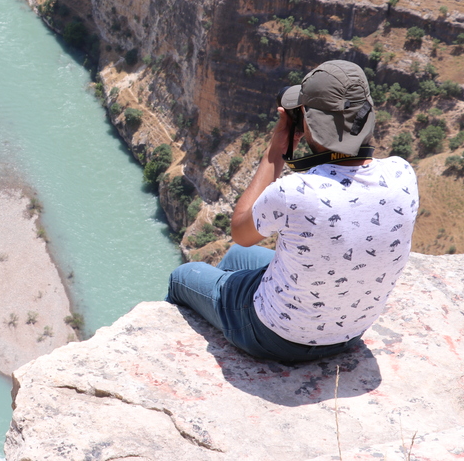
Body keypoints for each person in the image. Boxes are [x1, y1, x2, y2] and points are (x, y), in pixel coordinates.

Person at [166, 60, 419, 362]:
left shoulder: (296, 191)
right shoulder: (402, 172)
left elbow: (240, 231)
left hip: (275, 337)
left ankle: (209, 331)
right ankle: (229, 305)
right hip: (349, 334)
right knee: (234, 259)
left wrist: (275, 152)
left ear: (308, 124)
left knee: (182, 277)